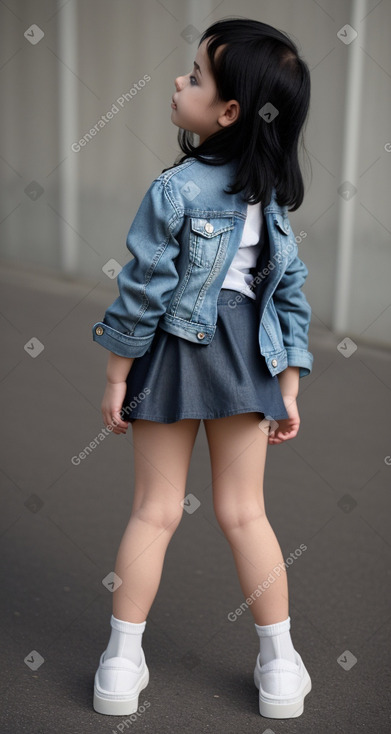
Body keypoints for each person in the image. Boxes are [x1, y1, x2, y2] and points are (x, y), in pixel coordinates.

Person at [91, 17, 314, 720]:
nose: (177, 82)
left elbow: (141, 292)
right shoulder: (269, 195)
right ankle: (280, 662)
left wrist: (116, 375)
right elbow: (288, 291)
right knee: (245, 514)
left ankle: (122, 661)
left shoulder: (175, 189)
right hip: (248, 363)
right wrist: (288, 381)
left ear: (226, 112)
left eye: (193, 75)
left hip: (172, 359)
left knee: (153, 513)